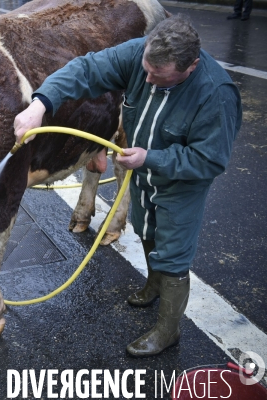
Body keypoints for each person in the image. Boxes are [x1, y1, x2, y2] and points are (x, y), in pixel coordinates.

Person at [14, 15, 241, 357]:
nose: (147, 79)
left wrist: (150, 159)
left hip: (180, 181)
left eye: (158, 77)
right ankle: (153, 285)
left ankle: (169, 331)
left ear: (191, 66)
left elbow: (208, 160)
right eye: (146, 70)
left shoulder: (216, 94)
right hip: (142, 169)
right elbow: (87, 70)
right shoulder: (140, 55)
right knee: (145, 225)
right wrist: (40, 103)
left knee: (174, 250)